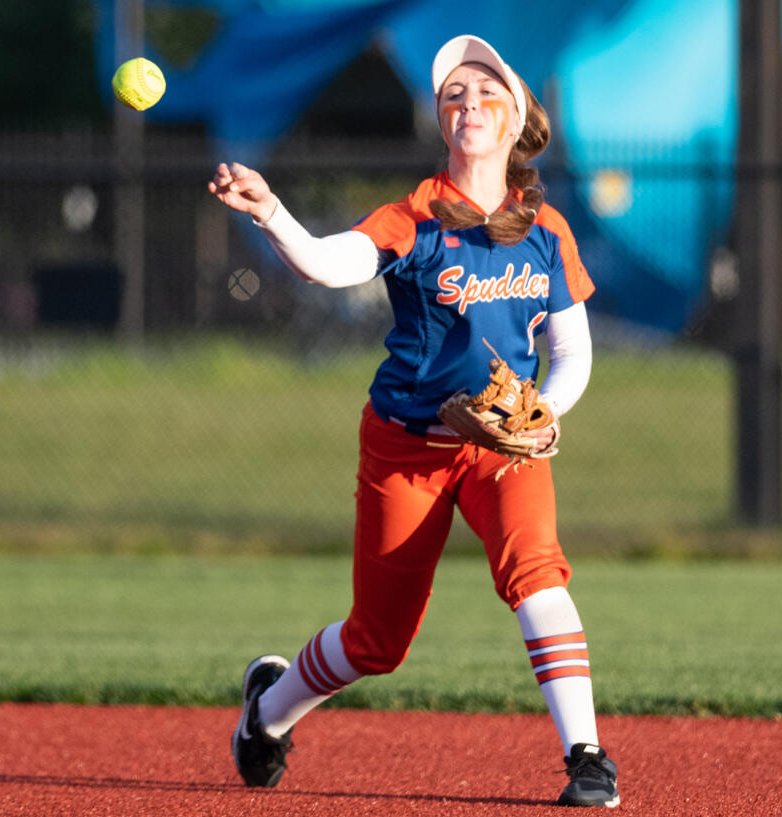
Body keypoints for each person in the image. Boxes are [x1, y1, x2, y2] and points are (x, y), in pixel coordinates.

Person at [209, 34, 619, 809]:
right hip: (407, 446)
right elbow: (332, 265)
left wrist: (541, 414)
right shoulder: (416, 216)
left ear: (516, 117)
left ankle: (588, 757)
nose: (468, 104)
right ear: (443, 121)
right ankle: (267, 709)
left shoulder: (546, 228)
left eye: (485, 92)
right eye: (453, 96)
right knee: (377, 640)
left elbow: (572, 350)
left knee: (538, 575)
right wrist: (272, 213)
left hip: (504, 443)